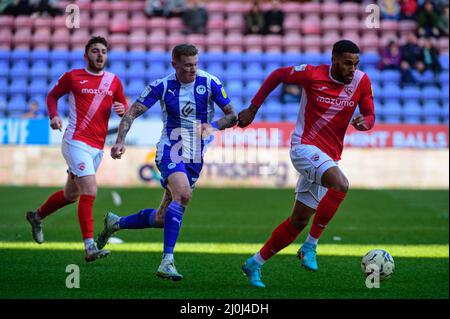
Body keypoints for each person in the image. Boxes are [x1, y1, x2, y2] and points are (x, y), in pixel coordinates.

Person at [238, 40, 375, 288]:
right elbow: (277, 75)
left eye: (355, 64)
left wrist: (366, 122)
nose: (351, 69)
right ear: (334, 60)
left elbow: (370, 114)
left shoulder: (361, 81)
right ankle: (311, 246)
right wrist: (253, 109)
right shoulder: (312, 74)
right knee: (341, 185)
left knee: (298, 220)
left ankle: (254, 263)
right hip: (304, 147)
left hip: (327, 157)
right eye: (347, 63)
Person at [95, 44, 238, 281]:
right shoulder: (162, 86)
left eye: (195, 64)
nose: (193, 69)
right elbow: (131, 113)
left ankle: (115, 223)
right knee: (183, 195)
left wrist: (213, 126)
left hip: (195, 156)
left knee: (163, 217)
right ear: (175, 64)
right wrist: (120, 140)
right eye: (187, 65)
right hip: (170, 148)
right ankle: (167, 261)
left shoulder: (210, 82)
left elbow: (232, 115)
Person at [25, 36, 128, 262]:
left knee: (71, 195)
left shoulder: (113, 81)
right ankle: (89, 247)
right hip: (75, 141)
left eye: (103, 51)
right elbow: (52, 96)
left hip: (96, 148)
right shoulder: (73, 77)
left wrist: (122, 109)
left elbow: (123, 107)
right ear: (86, 55)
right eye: (95, 51)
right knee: (90, 190)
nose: (100, 55)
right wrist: (53, 116)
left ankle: (37, 216)